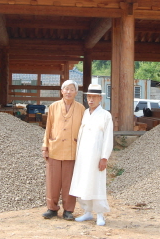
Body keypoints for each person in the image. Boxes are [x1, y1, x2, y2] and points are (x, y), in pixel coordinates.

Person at [70, 84, 113, 226]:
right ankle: (87, 212)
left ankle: (100, 214)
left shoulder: (106, 115)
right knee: (83, 182)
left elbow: (108, 138)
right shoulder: (85, 113)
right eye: (89, 97)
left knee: (97, 183)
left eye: (94, 97)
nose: (91, 100)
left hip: (96, 156)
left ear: (100, 98)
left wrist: (104, 157)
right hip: (82, 155)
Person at [42, 80, 85, 220]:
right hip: (54, 148)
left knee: (69, 182)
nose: (68, 92)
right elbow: (48, 128)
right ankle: (52, 208)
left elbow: (84, 131)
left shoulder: (81, 109)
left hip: (72, 150)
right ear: (61, 91)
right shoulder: (53, 107)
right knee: (53, 181)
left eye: (71, 89)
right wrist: (45, 147)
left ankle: (68, 210)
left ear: (76, 93)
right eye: (66, 89)